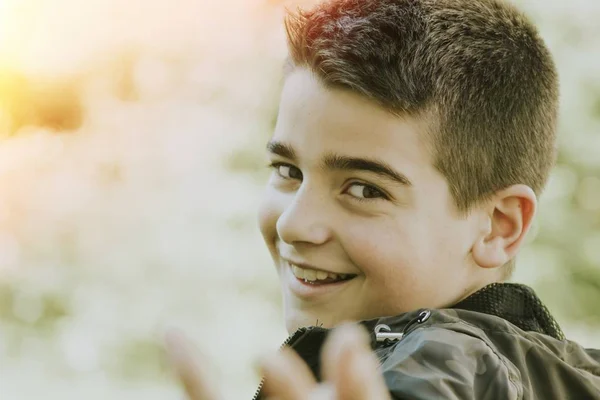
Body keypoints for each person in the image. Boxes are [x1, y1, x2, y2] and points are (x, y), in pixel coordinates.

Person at [165, 0, 600, 398]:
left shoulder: (440, 367)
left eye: (364, 188)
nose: (291, 225)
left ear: (499, 225)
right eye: (288, 171)